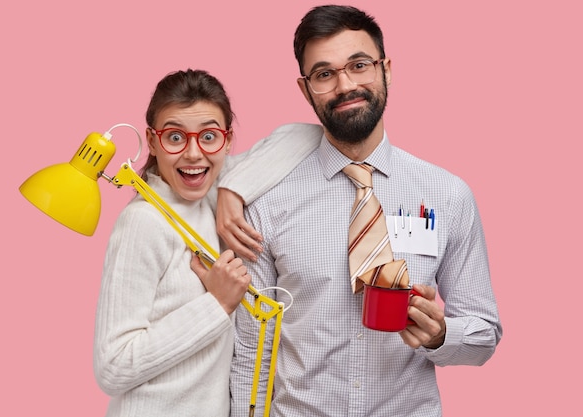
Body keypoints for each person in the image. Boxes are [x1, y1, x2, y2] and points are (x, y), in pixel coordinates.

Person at [216, 5, 503, 417]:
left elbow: (483, 335)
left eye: (359, 65)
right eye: (324, 73)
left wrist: (441, 334)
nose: (345, 85)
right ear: (305, 89)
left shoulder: (448, 195)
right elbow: (252, 349)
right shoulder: (267, 202)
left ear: (386, 69)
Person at [92, 69, 312, 417]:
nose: (194, 154)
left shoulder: (213, 192)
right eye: (175, 137)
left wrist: (231, 190)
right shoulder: (143, 222)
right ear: (151, 141)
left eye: (208, 136)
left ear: (226, 140)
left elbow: (305, 134)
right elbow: (113, 366)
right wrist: (217, 305)